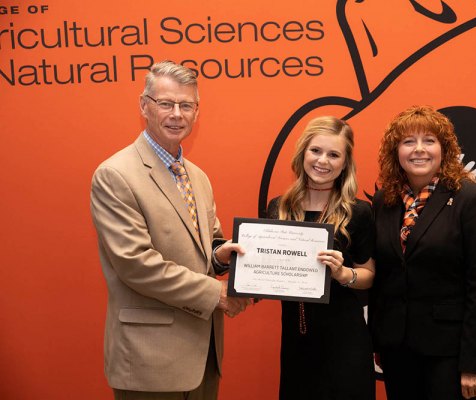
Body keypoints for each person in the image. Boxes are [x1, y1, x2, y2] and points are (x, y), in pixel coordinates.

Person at [90, 60, 251, 400]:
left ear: (197, 111)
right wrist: (216, 293)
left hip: (204, 354)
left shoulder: (198, 177)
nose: (177, 113)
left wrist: (221, 257)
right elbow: (137, 264)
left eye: (186, 105)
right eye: (166, 103)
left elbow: (204, 247)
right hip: (151, 361)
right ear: (144, 105)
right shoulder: (115, 175)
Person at [369, 105, 476, 400]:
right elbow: (385, 275)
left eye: (429, 141)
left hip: (450, 354)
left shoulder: (474, 199)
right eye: (408, 142)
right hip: (396, 350)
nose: (419, 150)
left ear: (445, 149)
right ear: (396, 152)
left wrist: (475, 364)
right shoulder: (384, 201)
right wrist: (379, 340)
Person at [267, 116, 376, 400]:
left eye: (334, 154)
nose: (323, 161)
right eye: (316, 150)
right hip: (296, 339)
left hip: (346, 341)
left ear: (344, 163)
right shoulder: (279, 208)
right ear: (303, 152)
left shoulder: (359, 212)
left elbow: (369, 275)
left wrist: (343, 275)